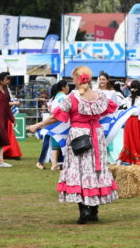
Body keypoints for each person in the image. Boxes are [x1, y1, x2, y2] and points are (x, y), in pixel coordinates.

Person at [28, 66, 118, 224]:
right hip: (95, 135)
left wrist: (37, 126)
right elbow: (108, 111)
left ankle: (83, 209)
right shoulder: (101, 96)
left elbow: (54, 117)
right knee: (95, 171)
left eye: (73, 79)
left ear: (78, 79)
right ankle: (94, 210)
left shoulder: (72, 97)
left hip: (78, 135)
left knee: (79, 170)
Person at [36, 84, 58, 170]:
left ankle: (45, 162)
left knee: (49, 144)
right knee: (48, 144)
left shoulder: (51, 100)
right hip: (54, 124)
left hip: (52, 124)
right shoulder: (54, 100)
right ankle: (41, 162)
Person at [50, 80, 69, 170]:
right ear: (63, 87)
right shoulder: (64, 97)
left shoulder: (55, 97)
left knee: (55, 142)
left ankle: (54, 164)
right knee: (66, 143)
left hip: (54, 121)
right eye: (67, 86)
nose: (68, 87)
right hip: (63, 122)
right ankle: (66, 163)